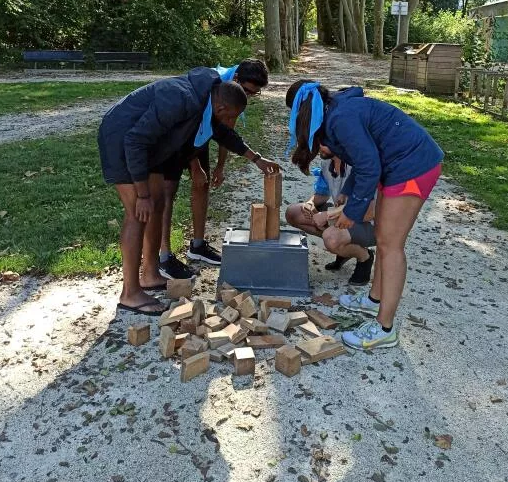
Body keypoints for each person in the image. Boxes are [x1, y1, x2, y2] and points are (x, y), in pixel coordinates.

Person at [98, 68, 280, 316]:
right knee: (137, 213)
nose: (230, 121)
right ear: (221, 108)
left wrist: (256, 158)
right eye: (230, 116)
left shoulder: (209, 99)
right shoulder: (180, 99)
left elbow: (222, 132)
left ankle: (150, 274)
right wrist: (142, 194)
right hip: (122, 139)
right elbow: (135, 140)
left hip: (150, 145)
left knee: (158, 204)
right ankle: (130, 293)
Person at [285, 79, 443, 350]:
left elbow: (369, 165)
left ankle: (384, 329)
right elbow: (363, 157)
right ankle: (373, 300)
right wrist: (348, 191)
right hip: (396, 165)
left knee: (390, 245)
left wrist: (352, 211)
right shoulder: (336, 113)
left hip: (411, 166)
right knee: (382, 238)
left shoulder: (340, 119)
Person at [184, 59, 269, 268]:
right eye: (248, 91)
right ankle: (164, 256)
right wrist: (195, 165)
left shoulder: (236, 95)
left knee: (203, 185)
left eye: (254, 93)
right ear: (237, 79)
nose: (250, 96)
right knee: (172, 189)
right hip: (186, 129)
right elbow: (187, 131)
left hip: (202, 130)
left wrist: (220, 167)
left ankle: (198, 245)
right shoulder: (215, 89)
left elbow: (227, 132)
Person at [285, 156, 376, 285]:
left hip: (370, 223)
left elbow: (368, 212)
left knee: (331, 238)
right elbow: (322, 193)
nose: (319, 147)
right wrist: (310, 203)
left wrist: (328, 214)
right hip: (343, 215)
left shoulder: (361, 163)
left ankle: (364, 257)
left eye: (323, 144)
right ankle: (344, 248)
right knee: (294, 213)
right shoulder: (327, 161)